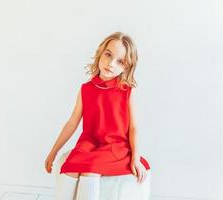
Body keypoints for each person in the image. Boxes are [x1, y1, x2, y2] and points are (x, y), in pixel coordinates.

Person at [45, 31, 151, 200]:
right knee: (69, 169)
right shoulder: (86, 89)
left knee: (90, 170)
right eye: (108, 55)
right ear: (100, 53)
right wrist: (53, 151)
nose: (111, 64)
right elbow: (72, 122)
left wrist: (136, 158)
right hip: (88, 143)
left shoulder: (127, 91)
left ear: (127, 66)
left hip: (114, 146)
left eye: (120, 61)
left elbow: (133, 127)